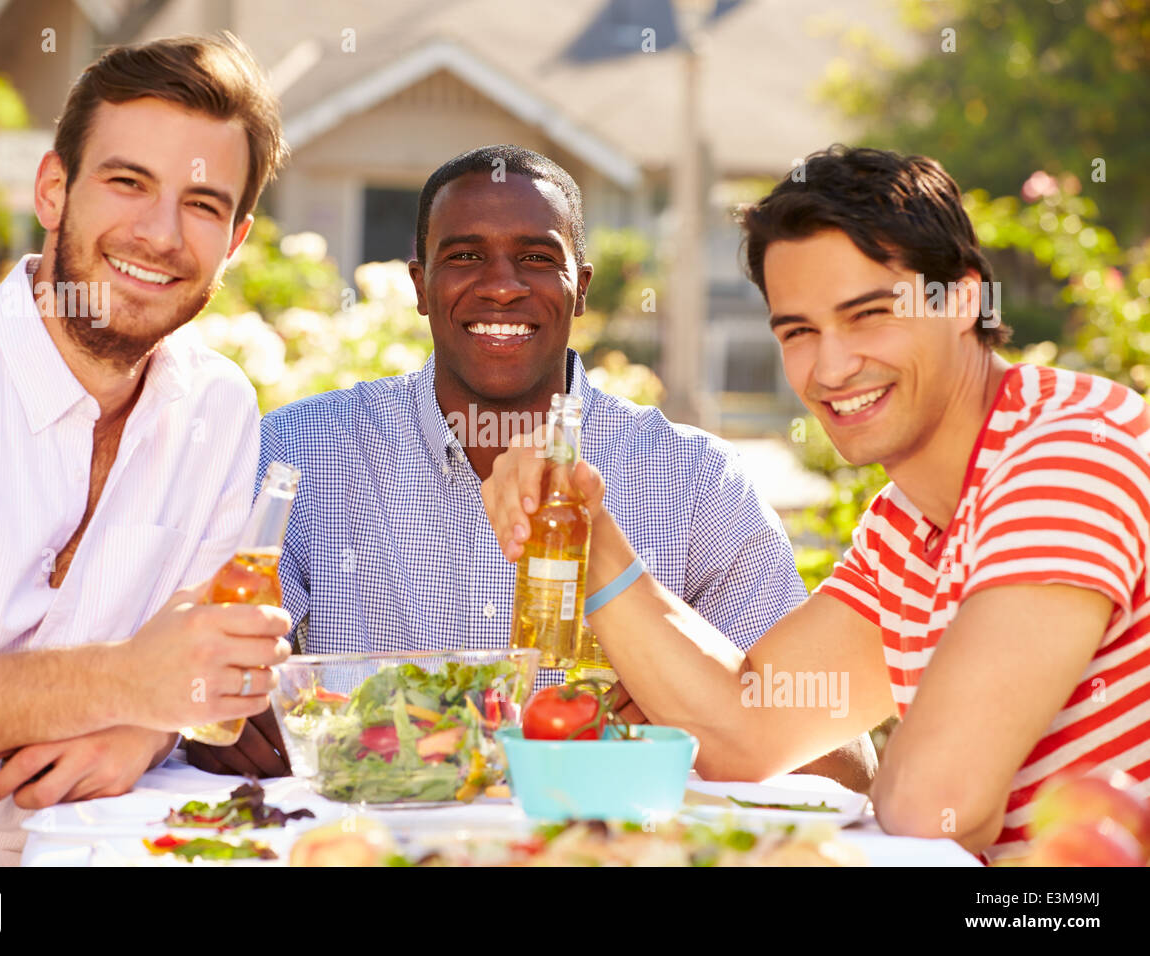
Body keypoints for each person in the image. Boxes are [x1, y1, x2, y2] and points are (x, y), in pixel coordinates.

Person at [479, 145, 1150, 861]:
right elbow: (749, 729)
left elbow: (934, 805)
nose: (831, 368)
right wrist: (587, 534)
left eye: (868, 315)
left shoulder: (1067, 451)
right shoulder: (906, 520)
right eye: (799, 331)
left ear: (963, 299)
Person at [187, 145, 877, 790]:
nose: (502, 287)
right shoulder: (301, 453)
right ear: (420, 286)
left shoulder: (697, 482)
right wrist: (225, 712)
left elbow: (843, 766)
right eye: (465, 256)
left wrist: (691, 708)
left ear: (581, 288)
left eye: (537, 258)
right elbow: (210, 677)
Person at [0, 34, 294, 866]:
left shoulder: (218, 408)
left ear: (234, 240)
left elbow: (201, 657)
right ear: (53, 189)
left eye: (202, 204)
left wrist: (146, 728)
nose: (159, 234)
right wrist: (125, 683)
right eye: (129, 182)